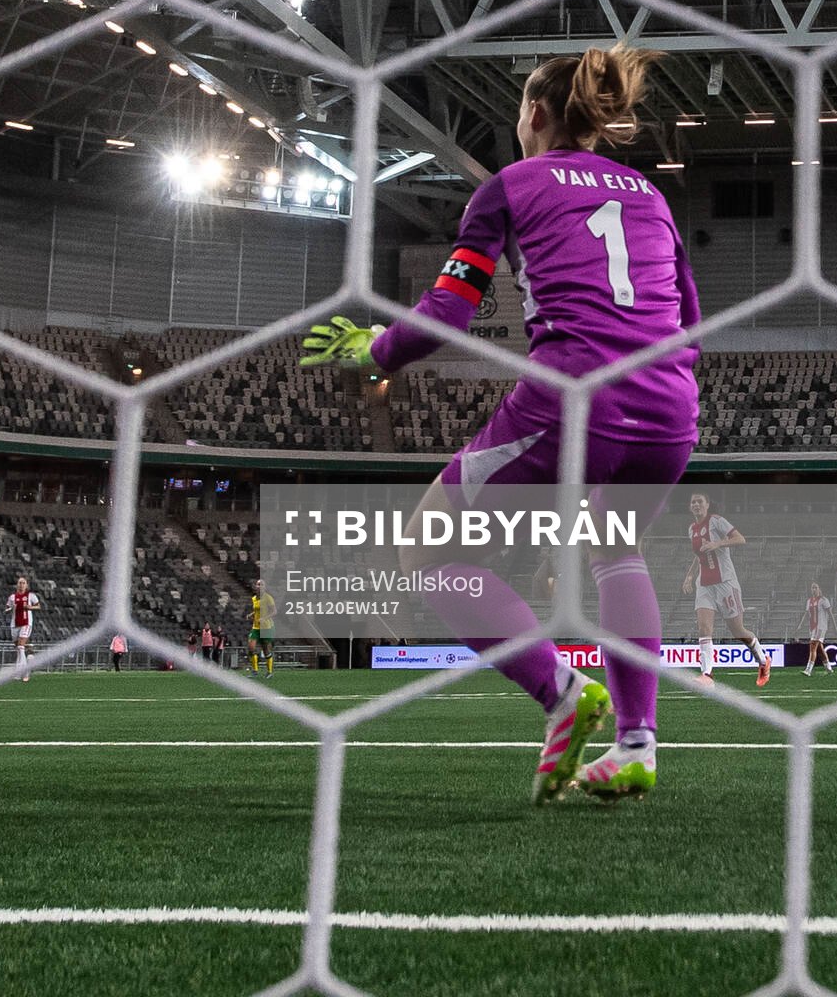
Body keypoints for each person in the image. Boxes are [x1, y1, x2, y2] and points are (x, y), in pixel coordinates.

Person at [301, 44, 695, 805]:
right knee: (620, 553)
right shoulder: (648, 192)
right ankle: (639, 743)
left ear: (536, 115)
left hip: (577, 392)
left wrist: (373, 350)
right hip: (670, 401)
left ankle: (562, 691)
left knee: (425, 551)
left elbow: (447, 313)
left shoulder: (509, 186)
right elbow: (691, 315)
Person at [681, 493, 771, 688]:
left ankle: (763, 661)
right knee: (704, 628)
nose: (696, 504)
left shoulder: (716, 521)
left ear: (707, 504)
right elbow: (699, 556)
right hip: (704, 584)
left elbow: (740, 539)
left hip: (726, 583)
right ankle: (707, 675)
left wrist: (718, 543)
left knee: (737, 630)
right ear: (690, 507)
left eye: (700, 501)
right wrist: (689, 576)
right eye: (693, 502)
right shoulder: (692, 529)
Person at [4, 576, 41, 682]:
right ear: (17, 585)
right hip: (14, 624)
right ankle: (29, 655)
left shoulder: (30, 596)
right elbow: (6, 609)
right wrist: (11, 609)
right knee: (19, 648)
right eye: (20, 583)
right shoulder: (12, 597)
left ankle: (24, 672)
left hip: (26, 623)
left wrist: (30, 607)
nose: (21, 585)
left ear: (26, 585)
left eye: (23, 583)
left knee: (20, 646)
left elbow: (38, 606)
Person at [804, 582, 834, 676]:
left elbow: (830, 613)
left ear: (819, 589)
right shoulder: (809, 601)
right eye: (812, 588)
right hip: (813, 627)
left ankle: (808, 669)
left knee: (812, 646)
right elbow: (806, 614)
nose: (814, 589)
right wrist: (800, 625)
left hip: (821, 627)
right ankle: (828, 668)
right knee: (820, 649)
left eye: (815, 588)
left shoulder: (823, 600)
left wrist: (835, 626)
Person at [248, 578, 277, 677]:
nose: (259, 586)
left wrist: (264, 618)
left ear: (265, 587)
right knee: (251, 647)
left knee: (266, 650)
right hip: (256, 627)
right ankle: (255, 671)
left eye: (262, 584)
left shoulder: (268, 598)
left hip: (266, 627)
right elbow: (257, 610)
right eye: (258, 584)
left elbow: (274, 612)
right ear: (256, 586)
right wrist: (251, 614)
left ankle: (269, 672)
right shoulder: (254, 598)